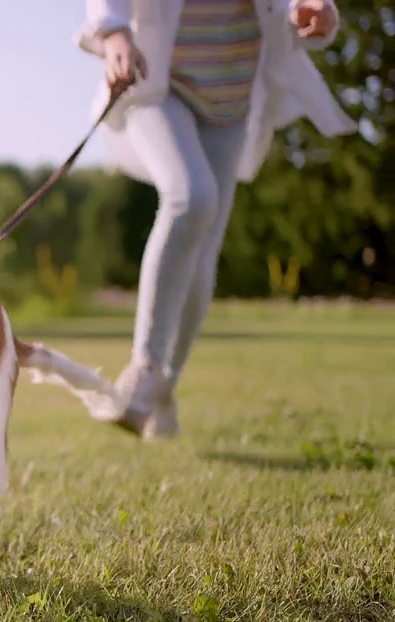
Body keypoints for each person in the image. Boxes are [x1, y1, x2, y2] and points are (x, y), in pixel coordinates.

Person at [76, 0, 358, 439]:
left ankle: (165, 386)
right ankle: (144, 369)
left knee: (203, 259)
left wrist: (316, 8)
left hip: (232, 99)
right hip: (156, 80)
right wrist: (114, 32)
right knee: (191, 197)